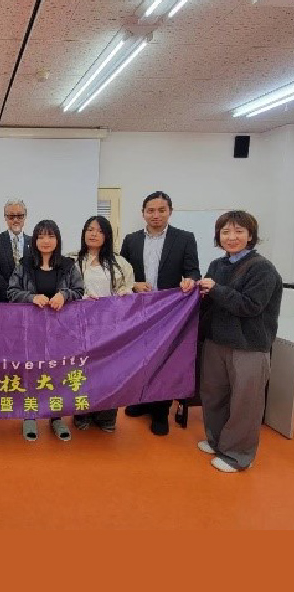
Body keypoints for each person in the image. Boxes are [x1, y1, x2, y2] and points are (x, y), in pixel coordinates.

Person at [196, 211, 282, 473]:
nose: (231, 237)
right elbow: (209, 300)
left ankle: (238, 455)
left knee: (246, 402)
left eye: (238, 231)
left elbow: (251, 306)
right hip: (216, 341)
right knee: (214, 395)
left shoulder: (263, 268)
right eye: (225, 232)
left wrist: (215, 289)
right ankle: (218, 441)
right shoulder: (217, 265)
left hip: (248, 346)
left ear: (250, 235)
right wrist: (195, 289)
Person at [120, 191, 200, 435]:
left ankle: (160, 411)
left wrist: (190, 280)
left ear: (170, 212)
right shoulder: (131, 240)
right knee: (139, 357)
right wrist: (134, 284)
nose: (156, 215)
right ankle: (142, 401)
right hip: (139, 312)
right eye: (151, 211)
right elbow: (122, 274)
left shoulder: (184, 238)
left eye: (161, 210)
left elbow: (193, 271)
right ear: (143, 213)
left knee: (164, 360)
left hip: (170, 312)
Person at [8, 219, 84, 442]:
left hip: (61, 331)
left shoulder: (69, 265)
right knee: (30, 371)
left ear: (57, 240)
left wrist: (65, 295)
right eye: (41, 236)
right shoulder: (24, 265)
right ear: (34, 241)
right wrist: (31, 297)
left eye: (50, 236)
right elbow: (11, 292)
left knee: (57, 372)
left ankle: (56, 416)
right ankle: (29, 415)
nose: (46, 241)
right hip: (29, 331)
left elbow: (79, 290)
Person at [73, 215, 135, 433]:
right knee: (82, 370)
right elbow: (67, 289)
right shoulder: (72, 261)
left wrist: (125, 293)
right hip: (80, 327)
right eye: (90, 229)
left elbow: (128, 289)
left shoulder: (120, 263)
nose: (94, 234)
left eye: (99, 231)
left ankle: (107, 415)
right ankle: (81, 413)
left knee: (110, 371)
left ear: (107, 236)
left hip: (111, 327)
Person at [0, 199, 31, 302]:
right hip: (0, 299)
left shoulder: (34, 242)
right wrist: (13, 294)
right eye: (11, 216)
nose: (16, 220)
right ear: (5, 217)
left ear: (25, 217)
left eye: (20, 216)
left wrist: (24, 295)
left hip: (27, 300)